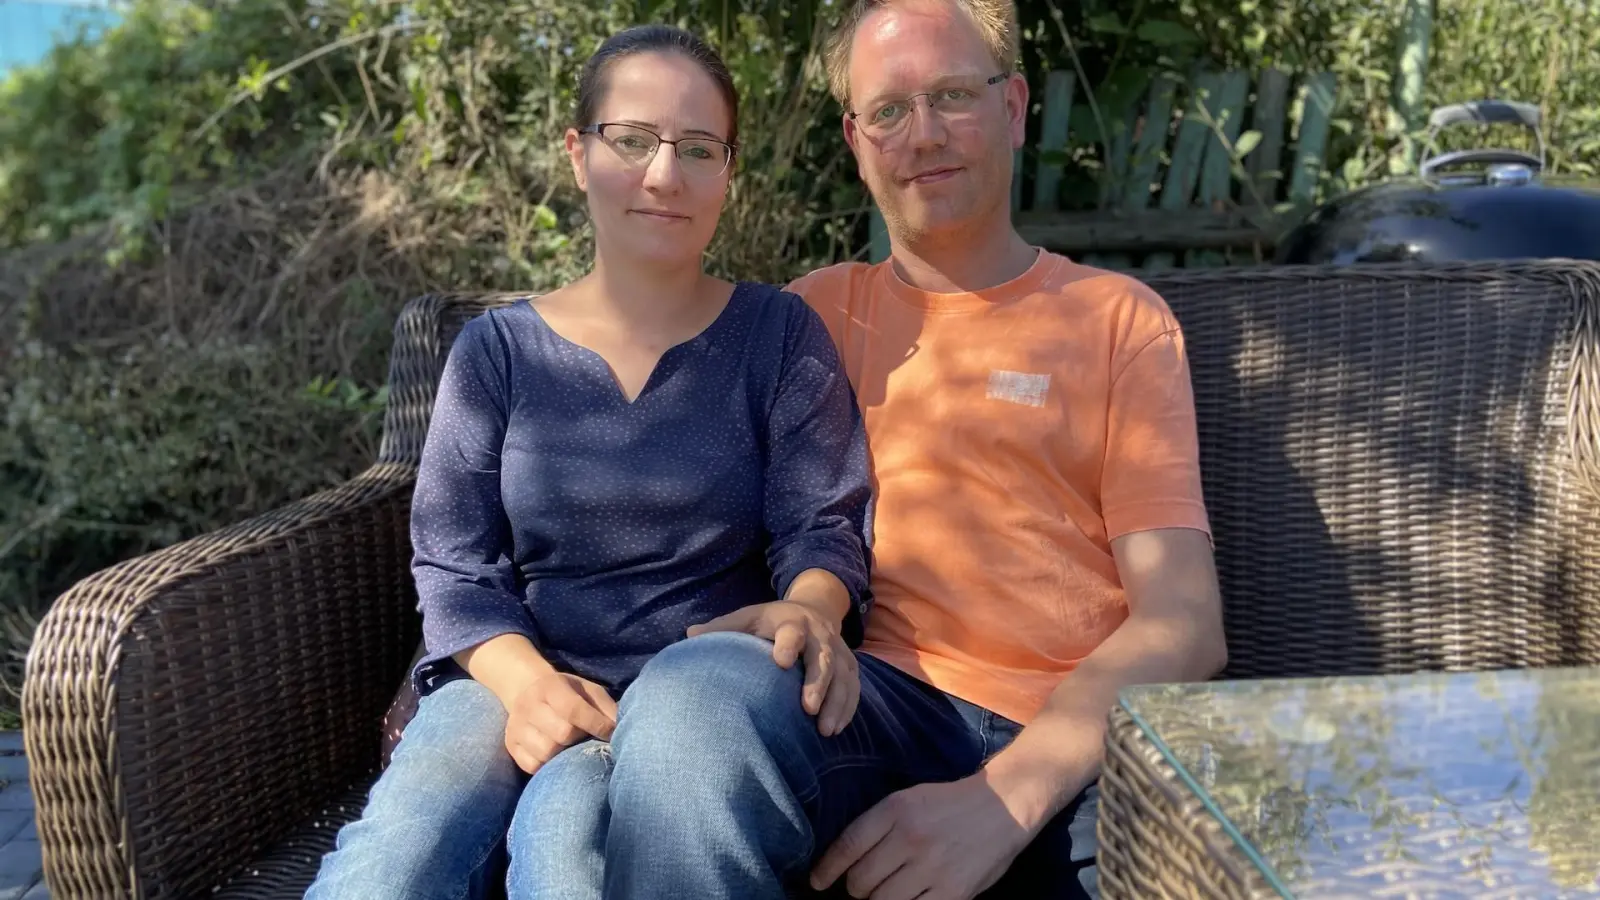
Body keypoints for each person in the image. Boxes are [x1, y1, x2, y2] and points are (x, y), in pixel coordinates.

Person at [596, 1, 1229, 898]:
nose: (923, 133)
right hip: (861, 710)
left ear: (1013, 108)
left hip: (1074, 749)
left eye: (953, 95)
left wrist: (1000, 801)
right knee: (691, 704)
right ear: (856, 142)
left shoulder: (1117, 321)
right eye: (889, 110)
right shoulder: (806, 318)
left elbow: (1185, 623)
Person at [304, 24, 874, 900]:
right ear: (578, 154)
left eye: (699, 148)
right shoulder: (497, 352)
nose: (665, 174)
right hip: (507, 673)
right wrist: (527, 684)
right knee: (395, 859)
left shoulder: (778, 336)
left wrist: (812, 611)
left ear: (729, 172)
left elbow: (823, 526)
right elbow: (453, 560)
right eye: (633, 139)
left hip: (695, 699)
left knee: (566, 856)